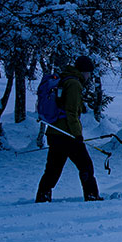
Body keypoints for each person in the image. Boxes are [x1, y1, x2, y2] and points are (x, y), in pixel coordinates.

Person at [35, 56, 101, 202]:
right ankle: (91, 195)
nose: (89, 76)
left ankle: (43, 196)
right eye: (89, 73)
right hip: (67, 135)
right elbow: (71, 112)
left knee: (53, 168)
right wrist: (77, 135)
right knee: (86, 166)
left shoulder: (64, 80)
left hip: (54, 133)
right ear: (84, 71)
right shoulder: (74, 84)